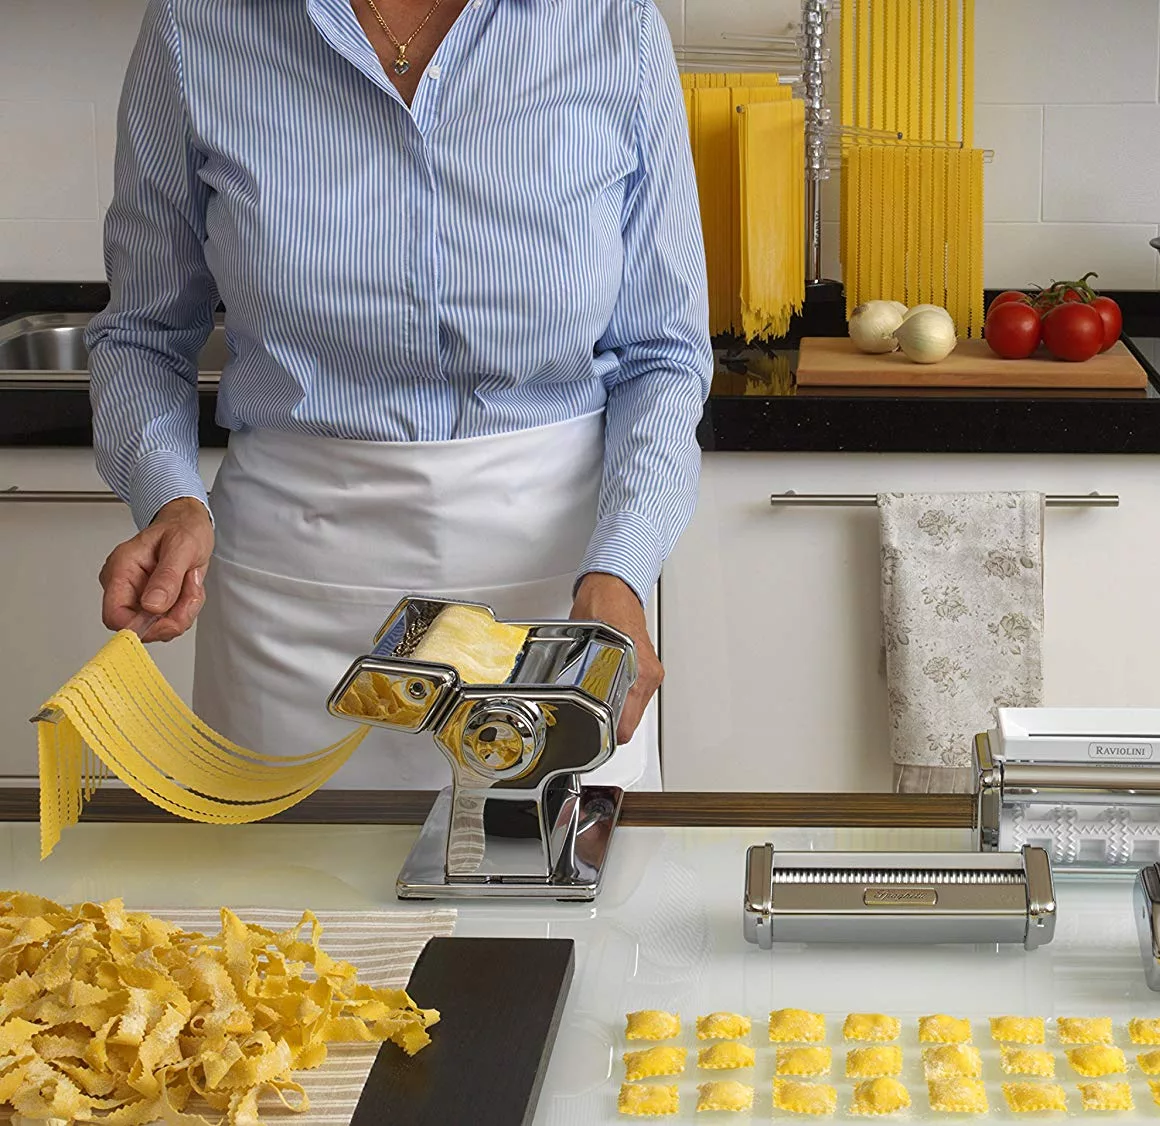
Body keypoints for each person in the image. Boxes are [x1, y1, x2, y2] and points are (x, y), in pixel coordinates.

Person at [87, 0, 712, 791]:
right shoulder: (198, 26)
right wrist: (169, 499)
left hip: (561, 599)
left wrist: (620, 568)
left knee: (550, 906)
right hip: (294, 591)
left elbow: (663, 356)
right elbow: (141, 333)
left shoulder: (610, 25)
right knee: (285, 907)